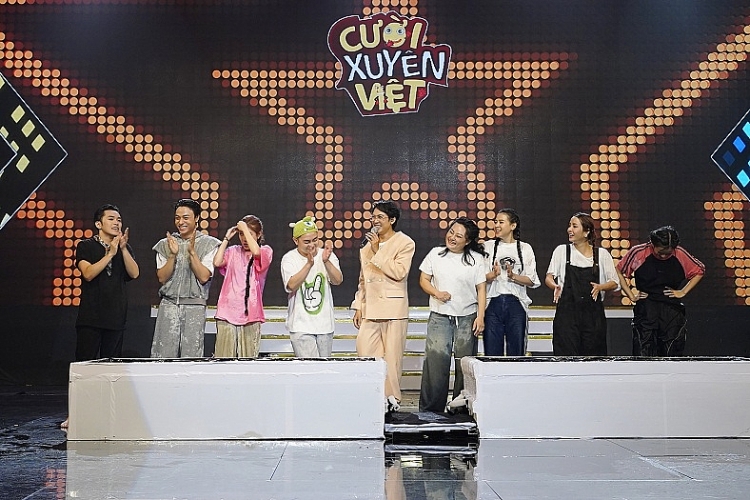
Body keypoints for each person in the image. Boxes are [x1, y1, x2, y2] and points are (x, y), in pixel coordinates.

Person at [64, 204, 140, 429]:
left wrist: (122, 249)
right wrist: (110, 254)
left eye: (119, 219)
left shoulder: (124, 247)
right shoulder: (86, 246)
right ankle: (76, 414)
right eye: (111, 219)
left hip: (116, 316)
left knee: (111, 369)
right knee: (84, 369)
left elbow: (134, 273)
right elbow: (88, 273)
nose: (117, 223)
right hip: (91, 316)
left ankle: (108, 415)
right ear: (99, 224)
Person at [418, 217, 487, 413]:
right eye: (451, 232)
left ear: (468, 241)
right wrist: (436, 293)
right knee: (436, 363)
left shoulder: (477, 259)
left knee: (464, 365)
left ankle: (461, 407)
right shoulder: (435, 254)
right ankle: (431, 410)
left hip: (467, 317)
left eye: (458, 235)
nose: (452, 237)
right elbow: (423, 279)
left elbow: (481, 289)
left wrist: (480, 316)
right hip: (440, 317)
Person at [352, 200, 415, 412]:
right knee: (366, 351)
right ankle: (373, 395)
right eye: (373, 217)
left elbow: (399, 272)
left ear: (392, 220)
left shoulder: (405, 243)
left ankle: (392, 400)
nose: (375, 221)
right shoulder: (366, 248)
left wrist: (377, 250)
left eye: (380, 217)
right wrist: (358, 306)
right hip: (370, 309)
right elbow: (363, 280)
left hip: (393, 309)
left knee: (392, 359)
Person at [616, 226, 705, 356]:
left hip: (671, 307)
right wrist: (631, 295)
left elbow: (699, 270)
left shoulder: (679, 253)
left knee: (672, 350)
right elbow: (619, 270)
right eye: (660, 252)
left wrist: (683, 291)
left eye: (668, 253)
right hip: (647, 306)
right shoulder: (639, 252)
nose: (663, 256)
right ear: (653, 244)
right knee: (643, 349)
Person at [151, 199, 221, 358]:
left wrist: (192, 253)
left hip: (194, 306)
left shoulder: (209, 244)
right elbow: (162, 277)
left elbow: (204, 276)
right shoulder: (165, 244)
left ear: (197, 218)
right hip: (168, 305)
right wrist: (172, 255)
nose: (180, 222)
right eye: (177, 218)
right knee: (163, 355)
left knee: (191, 356)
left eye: (185, 217)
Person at [545, 212, 619, 356]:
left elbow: (614, 282)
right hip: (567, 314)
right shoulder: (562, 251)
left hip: (593, 316)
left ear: (587, 232)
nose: (569, 229)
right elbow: (549, 277)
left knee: (593, 357)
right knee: (566, 356)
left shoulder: (601, 254)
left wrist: (600, 287)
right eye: (569, 226)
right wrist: (555, 286)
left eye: (574, 226)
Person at [280, 216, 343, 357]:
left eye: (315, 240)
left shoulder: (326, 255)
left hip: (325, 326)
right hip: (300, 326)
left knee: (324, 368)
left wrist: (326, 262)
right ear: (296, 241)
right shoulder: (289, 258)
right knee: (309, 368)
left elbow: (338, 280)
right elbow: (291, 285)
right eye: (306, 242)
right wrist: (309, 264)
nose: (312, 245)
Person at [482, 209, 541, 356]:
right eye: (495, 222)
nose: (496, 225)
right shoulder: (487, 246)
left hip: (517, 304)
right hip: (492, 304)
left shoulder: (525, 248)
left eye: (501, 222)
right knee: (492, 353)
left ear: (513, 226)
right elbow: (478, 279)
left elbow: (531, 280)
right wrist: (493, 275)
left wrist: (513, 276)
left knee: (516, 352)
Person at [213, 215, 273, 357]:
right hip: (227, 312)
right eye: (241, 234)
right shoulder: (232, 251)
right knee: (223, 359)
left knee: (248, 361)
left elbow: (256, 252)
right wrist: (226, 239)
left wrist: (244, 228)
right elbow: (217, 262)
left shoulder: (266, 251)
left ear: (258, 235)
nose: (245, 238)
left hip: (250, 315)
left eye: (249, 234)